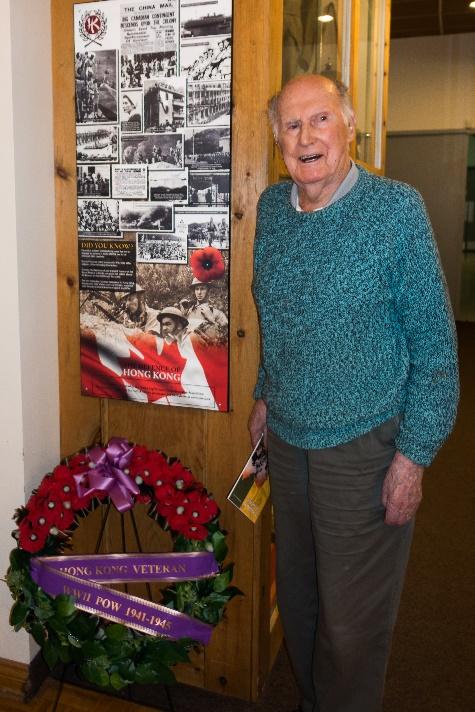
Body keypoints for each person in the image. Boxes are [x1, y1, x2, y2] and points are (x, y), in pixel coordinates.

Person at [247, 74, 459, 712]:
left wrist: (414, 455)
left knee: (351, 624)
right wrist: (264, 392)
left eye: (320, 120)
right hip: (287, 440)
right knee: (303, 599)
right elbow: (278, 318)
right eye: (291, 124)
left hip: (364, 448)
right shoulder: (272, 213)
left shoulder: (396, 209)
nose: (306, 136)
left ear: (348, 128)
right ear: (277, 139)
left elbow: (436, 347)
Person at [180, 278, 228, 343]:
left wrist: (211, 319)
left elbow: (225, 339)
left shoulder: (217, 312)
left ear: (208, 290)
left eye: (202, 289)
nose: (199, 292)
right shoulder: (189, 311)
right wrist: (183, 317)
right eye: (197, 289)